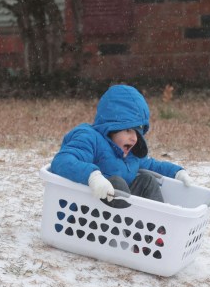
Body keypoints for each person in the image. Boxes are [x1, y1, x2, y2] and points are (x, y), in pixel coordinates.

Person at [50, 84, 193, 207]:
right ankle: (127, 230)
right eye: (128, 130)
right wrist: (92, 176)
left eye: (137, 133)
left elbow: (152, 165)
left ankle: (157, 228)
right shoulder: (89, 137)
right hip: (83, 213)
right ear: (111, 127)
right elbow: (62, 161)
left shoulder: (131, 154)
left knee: (147, 180)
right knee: (116, 184)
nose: (134, 138)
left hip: (123, 216)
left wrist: (177, 172)